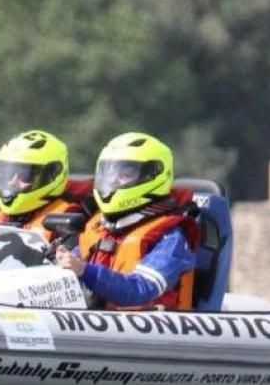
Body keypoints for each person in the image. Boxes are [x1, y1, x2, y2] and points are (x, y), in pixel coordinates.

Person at [54, 131, 197, 311]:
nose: (113, 180)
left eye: (125, 174)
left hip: (148, 326)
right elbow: (73, 265)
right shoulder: (98, 224)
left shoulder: (171, 236)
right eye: (109, 173)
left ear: (152, 175)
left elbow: (141, 289)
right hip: (97, 320)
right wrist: (60, 259)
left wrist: (84, 270)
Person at [0, 130, 87, 236]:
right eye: (7, 173)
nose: (13, 182)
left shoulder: (68, 215)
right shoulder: (5, 216)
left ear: (52, 173)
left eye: (24, 175)